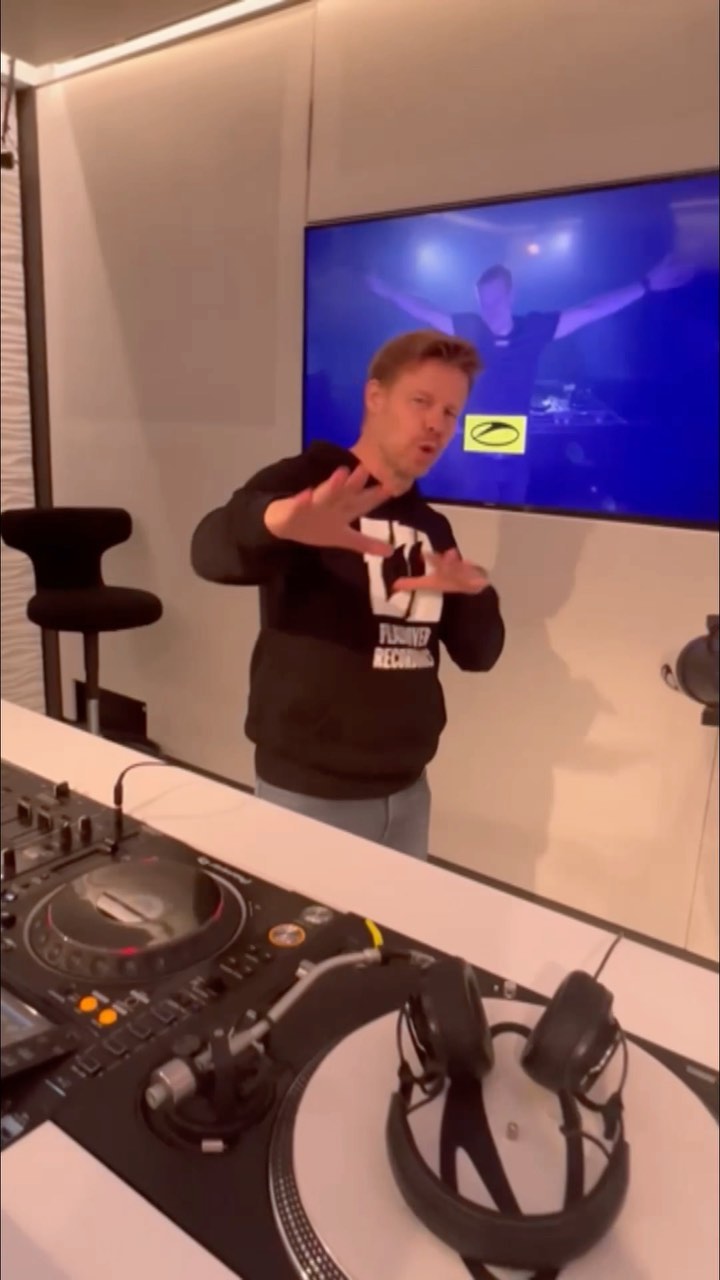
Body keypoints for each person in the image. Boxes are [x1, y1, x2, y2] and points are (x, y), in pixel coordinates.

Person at [191, 330, 505, 859]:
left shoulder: (431, 526)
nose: (436, 423)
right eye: (421, 401)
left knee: (394, 918)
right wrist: (279, 521)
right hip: (308, 795)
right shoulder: (308, 485)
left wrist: (474, 591)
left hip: (408, 793)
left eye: (450, 412)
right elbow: (209, 550)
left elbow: (480, 654)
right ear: (375, 397)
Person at [369, 255, 695, 503]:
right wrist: (387, 291)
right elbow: (423, 308)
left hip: (515, 457)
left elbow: (591, 309)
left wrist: (645, 285)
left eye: (495, 299)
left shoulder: (533, 329)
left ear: (510, 295)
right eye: (483, 300)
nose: (489, 308)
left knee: (515, 523)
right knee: (475, 522)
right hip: (473, 460)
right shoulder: (469, 327)